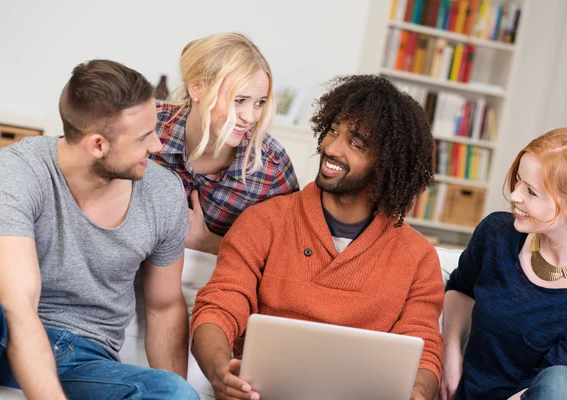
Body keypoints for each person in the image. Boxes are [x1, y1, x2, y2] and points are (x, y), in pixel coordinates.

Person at [190, 75, 445, 400]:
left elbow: (423, 348)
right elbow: (220, 305)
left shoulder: (417, 257)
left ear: (387, 165)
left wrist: (418, 394)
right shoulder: (264, 221)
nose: (332, 148)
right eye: (333, 130)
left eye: (356, 144)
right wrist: (219, 371)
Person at [0, 60, 198, 400]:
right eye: (144, 137)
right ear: (97, 145)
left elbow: (163, 307)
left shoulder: (163, 193)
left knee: (174, 393)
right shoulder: (17, 169)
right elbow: (16, 304)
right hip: (1, 338)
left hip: (85, 362)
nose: (158, 146)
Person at [440, 128, 567, 400]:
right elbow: (461, 288)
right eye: (519, 180)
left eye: (531, 192)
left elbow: (551, 389)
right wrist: (449, 352)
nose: (515, 195)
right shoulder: (497, 232)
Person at [150, 32, 299, 255]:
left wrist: (207, 242)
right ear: (197, 88)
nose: (250, 117)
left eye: (259, 103)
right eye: (239, 100)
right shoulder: (149, 127)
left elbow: (289, 256)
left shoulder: (272, 167)